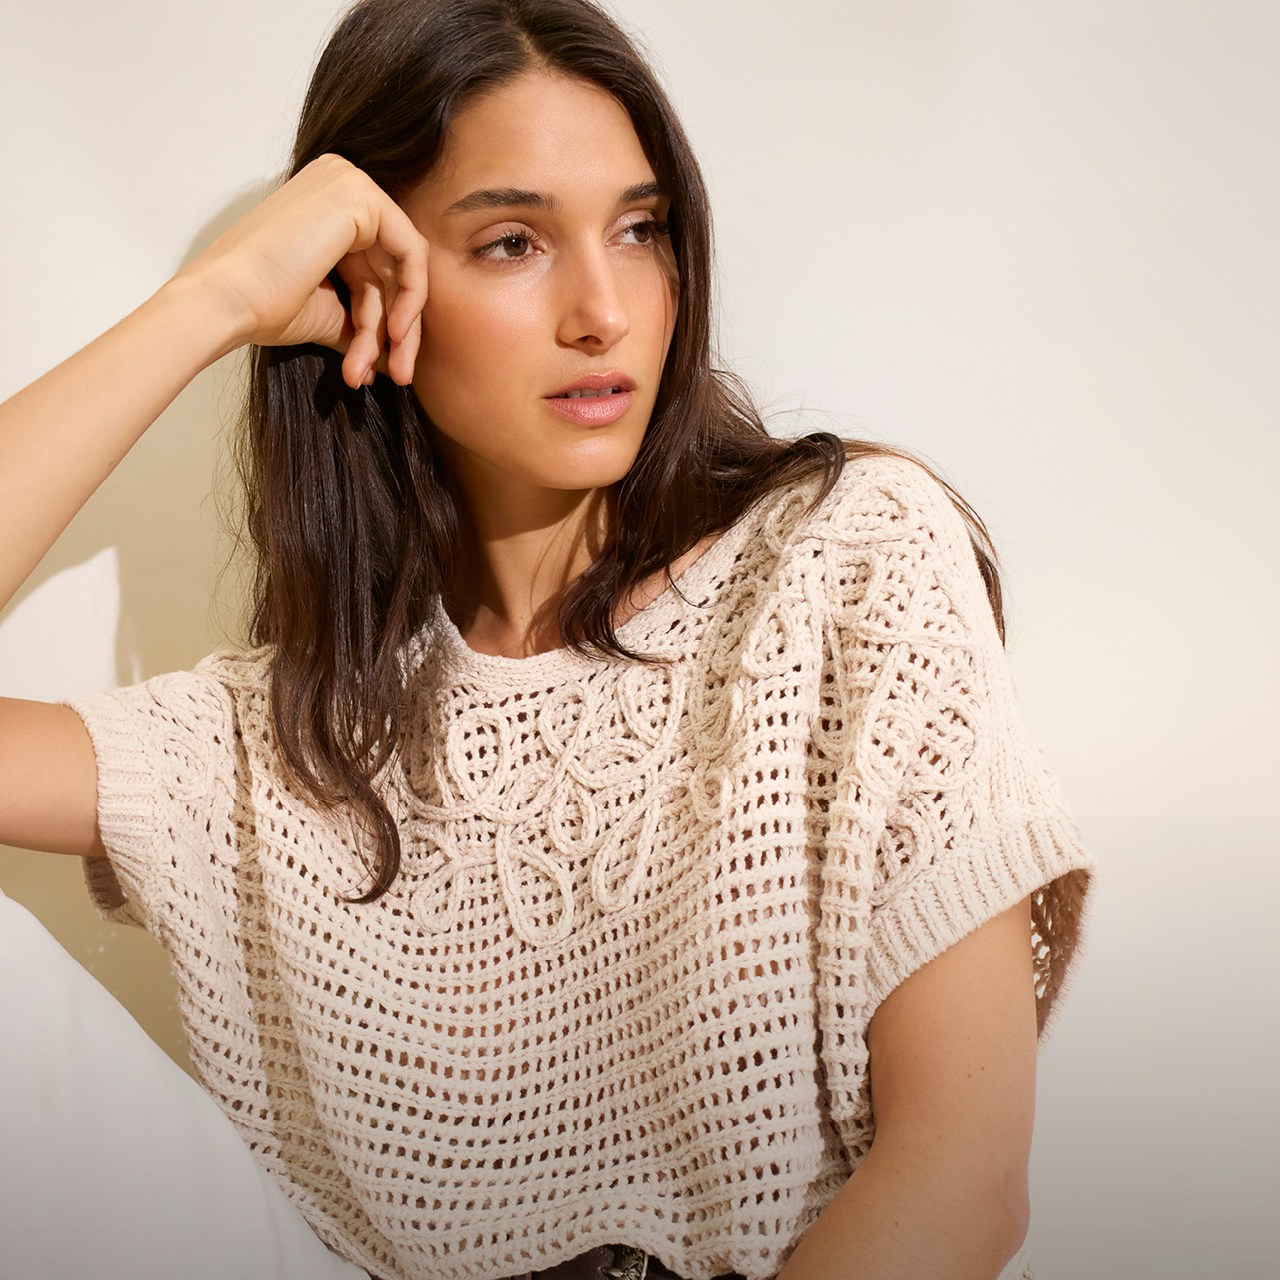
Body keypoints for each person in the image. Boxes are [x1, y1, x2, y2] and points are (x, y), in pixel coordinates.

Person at [0, 1, 1095, 1278]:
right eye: (514, 241)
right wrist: (210, 302)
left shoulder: (845, 560)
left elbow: (961, 1180)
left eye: (640, 231)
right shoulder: (290, 737)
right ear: (373, 286)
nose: (603, 309)